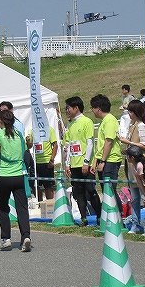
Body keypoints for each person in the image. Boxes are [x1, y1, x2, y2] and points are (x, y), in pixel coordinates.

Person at [0, 109, 31, 252]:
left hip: (4, 176)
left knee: (2, 208)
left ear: (1, 121)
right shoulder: (19, 135)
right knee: (22, 208)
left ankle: (6, 238)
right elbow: (26, 149)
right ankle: (25, 236)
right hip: (19, 176)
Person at [63, 96, 101, 226]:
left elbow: (90, 143)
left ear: (76, 108)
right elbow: (69, 146)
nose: (66, 110)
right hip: (74, 164)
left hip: (86, 164)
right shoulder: (70, 124)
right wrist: (67, 164)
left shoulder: (86, 121)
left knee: (91, 189)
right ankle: (83, 217)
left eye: (68, 108)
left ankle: (99, 216)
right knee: (77, 191)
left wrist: (86, 162)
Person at [119, 99, 145, 233]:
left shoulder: (141, 126)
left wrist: (128, 142)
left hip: (141, 165)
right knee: (135, 197)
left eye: (131, 111)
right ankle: (136, 222)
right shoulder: (134, 125)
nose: (129, 114)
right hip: (133, 164)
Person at [90, 94, 123, 215]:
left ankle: (119, 217)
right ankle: (111, 215)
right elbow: (101, 145)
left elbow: (108, 142)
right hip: (103, 159)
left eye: (92, 108)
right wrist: (95, 161)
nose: (92, 111)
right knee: (105, 190)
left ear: (98, 108)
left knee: (110, 190)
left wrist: (103, 161)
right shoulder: (104, 122)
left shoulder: (110, 120)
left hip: (111, 160)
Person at [25, 125, 58, 201]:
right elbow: (29, 146)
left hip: (47, 161)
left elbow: (55, 145)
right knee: (35, 185)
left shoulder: (49, 129)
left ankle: (50, 204)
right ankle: (40, 203)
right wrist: (28, 141)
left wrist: (52, 160)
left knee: (48, 186)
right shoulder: (32, 130)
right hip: (36, 162)